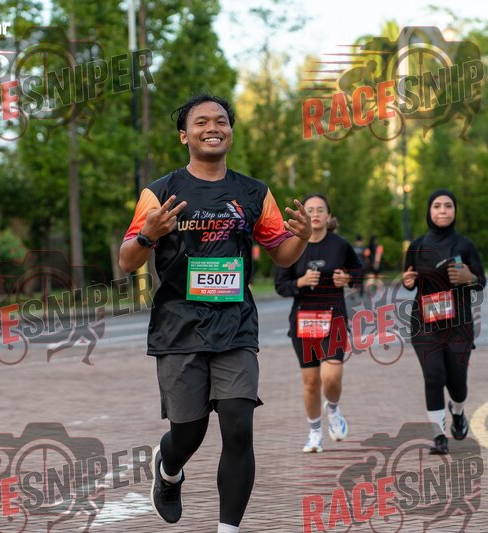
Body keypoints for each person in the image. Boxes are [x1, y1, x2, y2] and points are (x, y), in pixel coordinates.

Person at [118, 94, 311, 533]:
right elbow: (127, 261)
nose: (213, 128)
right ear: (184, 136)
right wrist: (148, 235)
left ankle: (228, 529)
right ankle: (169, 468)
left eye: (221, 121)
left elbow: (282, 254)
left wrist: (302, 238)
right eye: (201, 121)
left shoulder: (253, 192)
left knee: (239, 426)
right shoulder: (160, 192)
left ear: (231, 132)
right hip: (178, 328)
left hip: (234, 325)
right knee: (189, 432)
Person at [274, 194, 362, 453]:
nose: (315, 214)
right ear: (303, 215)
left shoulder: (340, 245)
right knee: (311, 382)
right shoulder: (291, 244)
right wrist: (300, 283)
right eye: (310, 209)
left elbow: (359, 273)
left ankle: (333, 409)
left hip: (334, 319)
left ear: (328, 216)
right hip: (303, 321)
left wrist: (347, 279)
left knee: (331, 376)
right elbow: (281, 284)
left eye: (320, 210)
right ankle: (314, 433)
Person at [402, 189, 486, 455]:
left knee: (457, 383)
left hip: (459, 323)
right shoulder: (417, 246)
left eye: (448, 206)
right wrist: (407, 282)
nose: (442, 211)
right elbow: (409, 280)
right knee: (434, 375)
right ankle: (439, 436)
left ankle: (457, 411)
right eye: (437, 206)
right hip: (425, 322)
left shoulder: (465, 245)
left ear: (455, 211)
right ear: (429, 211)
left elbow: (481, 282)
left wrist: (470, 278)